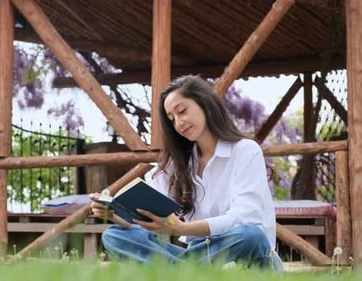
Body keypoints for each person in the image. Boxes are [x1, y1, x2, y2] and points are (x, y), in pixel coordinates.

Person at [89, 74, 282, 270]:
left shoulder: (245, 150)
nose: (178, 123)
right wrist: (112, 212)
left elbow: (244, 218)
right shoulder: (178, 163)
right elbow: (147, 215)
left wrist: (182, 228)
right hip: (198, 256)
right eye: (172, 119)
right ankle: (188, 271)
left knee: (250, 235)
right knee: (114, 235)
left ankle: (181, 272)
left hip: (246, 256)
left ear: (205, 104)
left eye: (182, 111)